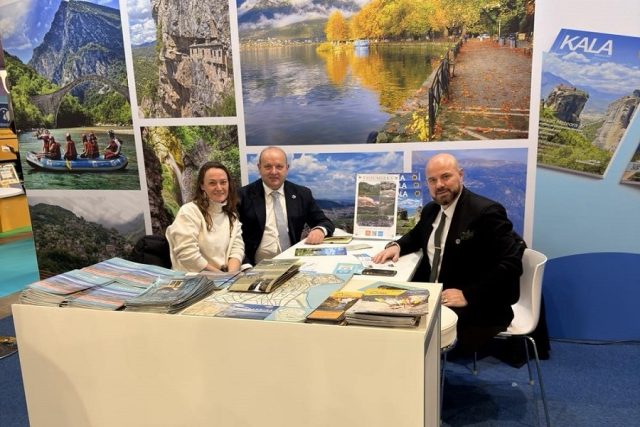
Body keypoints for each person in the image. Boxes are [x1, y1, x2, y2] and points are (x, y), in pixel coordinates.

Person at [372, 153, 523, 355]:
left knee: (400, 330)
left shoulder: (486, 212)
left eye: (445, 176)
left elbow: (511, 264)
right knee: (378, 307)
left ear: (461, 175)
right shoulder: (432, 209)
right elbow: (416, 235)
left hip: (473, 303)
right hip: (432, 292)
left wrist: (469, 295)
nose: (439, 185)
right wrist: (396, 246)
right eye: (432, 180)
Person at [238, 146, 335, 265]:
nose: (274, 172)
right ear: (259, 168)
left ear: (287, 168)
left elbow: (324, 222)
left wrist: (319, 230)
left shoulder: (302, 194)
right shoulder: (243, 196)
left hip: (292, 264)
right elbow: (233, 239)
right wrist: (246, 266)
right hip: (255, 266)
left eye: (279, 166)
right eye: (268, 167)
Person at [166, 161, 244, 273]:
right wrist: (221, 276)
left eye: (223, 182)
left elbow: (237, 250)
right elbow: (187, 254)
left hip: (225, 277)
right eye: (212, 183)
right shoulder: (189, 212)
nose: (219, 188)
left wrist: (231, 275)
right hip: (193, 279)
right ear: (202, 186)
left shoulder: (232, 216)